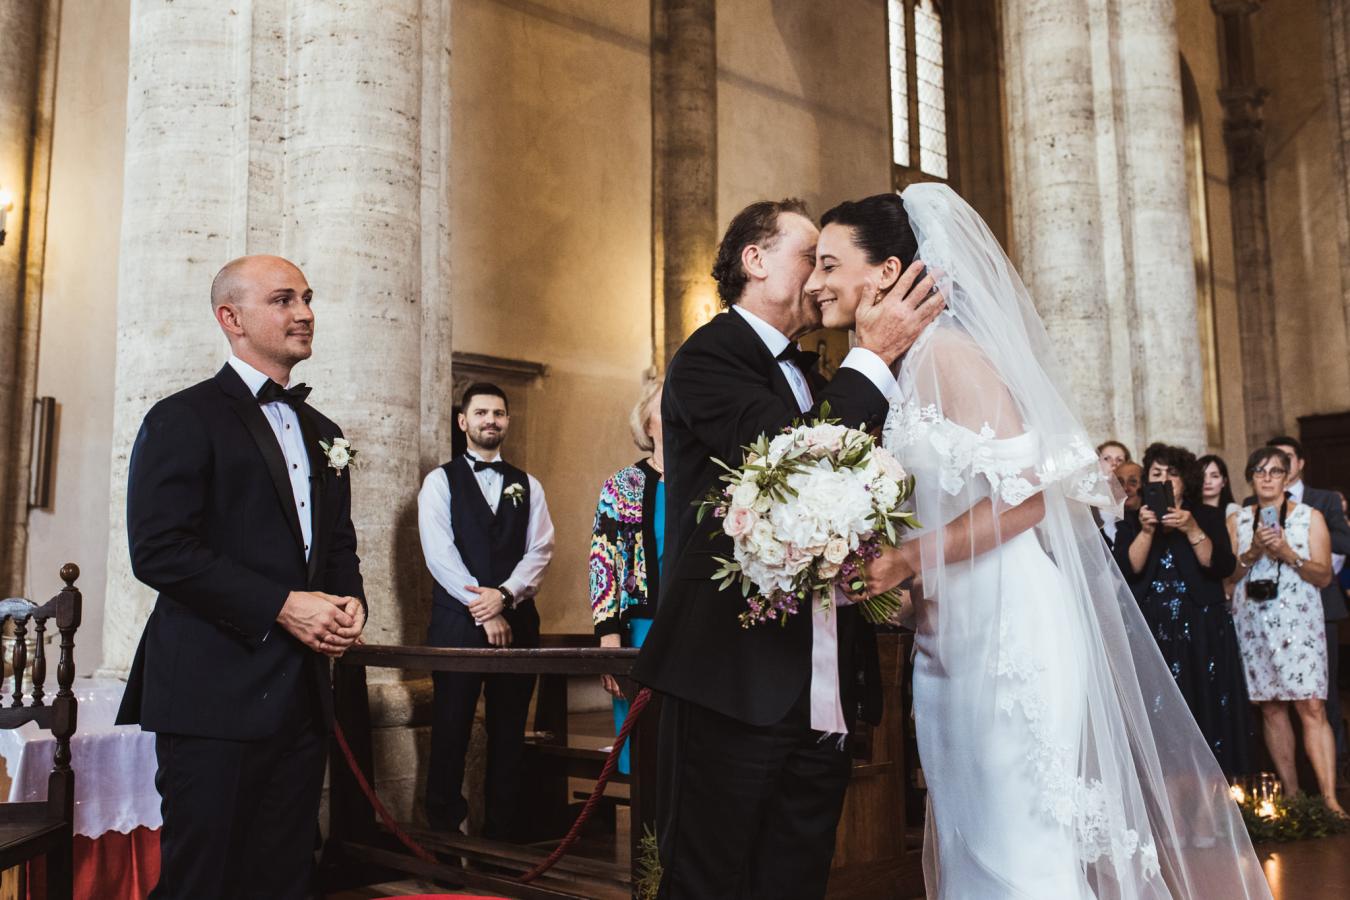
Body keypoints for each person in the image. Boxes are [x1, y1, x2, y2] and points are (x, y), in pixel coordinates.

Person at [809, 186, 1268, 898]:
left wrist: (906, 559)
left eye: (830, 264)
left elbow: (1025, 500)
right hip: (949, 632)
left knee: (1021, 844)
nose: (815, 283)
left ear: (887, 271)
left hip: (1009, 629)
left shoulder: (950, 356)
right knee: (972, 833)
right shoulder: (901, 372)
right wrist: (901, 580)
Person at [632, 197, 944, 899]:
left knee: (795, 880)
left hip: (818, 688)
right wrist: (873, 354)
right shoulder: (709, 358)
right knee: (708, 881)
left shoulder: (822, 376)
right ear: (755, 260)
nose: (819, 276)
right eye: (811, 256)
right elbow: (797, 470)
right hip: (731, 680)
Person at [117, 255, 367, 899]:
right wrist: (285, 605)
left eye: (307, 298)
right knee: (204, 880)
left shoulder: (325, 433)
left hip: (300, 697)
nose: (305, 313)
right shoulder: (182, 418)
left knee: (283, 878)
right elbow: (161, 551)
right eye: (283, 300)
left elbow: (336, 546)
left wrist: (348, 604)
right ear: (231, 318)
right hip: (211, 693)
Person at [418, 383, 555, 839]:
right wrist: (485, 608)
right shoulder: (439, 481)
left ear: (507, 421)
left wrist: (507, 595)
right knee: (451, 731)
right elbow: (440, 554)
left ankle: (503, 837)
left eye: (499, 413)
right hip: (458, 623)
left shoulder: (528, 484)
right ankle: (442, 838)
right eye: (481, 412)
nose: (490, 420)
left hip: (518, 621)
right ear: (463, 421)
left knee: (509, 734)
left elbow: (540, 549)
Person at [1113, 443, 1252, 779]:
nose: (1164, 480)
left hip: (1201, 626)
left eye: (1171, 475)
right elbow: (1126, 570)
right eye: (1156, 474)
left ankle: (1214, 797)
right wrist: (1147, 531)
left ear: (1184, 481)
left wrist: (1191, 529)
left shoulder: (1206, 516)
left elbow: (1220, 565)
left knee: (1205, 705)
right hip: (1152, 627)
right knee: (1157, 712)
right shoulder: (1131, 519)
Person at [1228, 447, 1345, 815]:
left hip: (1300, 619)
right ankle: (1293, 796)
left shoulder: (1310, 517)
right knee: (1272, 707)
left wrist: (1286, 552)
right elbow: (1227, 578)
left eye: (1275, 471)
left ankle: (1328, 799)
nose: (1267, 477)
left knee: (1311, 704)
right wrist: (1250, 553)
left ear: (1286, 477)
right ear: (1251, 477)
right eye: (1259, 471)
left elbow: (1324, 575)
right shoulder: (1238, 520)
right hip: (1254, 620)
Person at [589, 377, 665, 775]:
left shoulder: (711, 482)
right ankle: (647, 838)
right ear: (647, 423)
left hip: (697, 632)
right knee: (646, 753)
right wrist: (609, 640)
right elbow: (602, 565)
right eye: (664, 405)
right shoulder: (622, 487)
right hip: (639, 633)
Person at [1265, 436, 1350, 773]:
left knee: (1321, 695)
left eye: (1286, 459)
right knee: (1278, 697)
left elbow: (1345, 541)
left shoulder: (1323, 501)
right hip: (1272, 610)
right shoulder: (1253, 504)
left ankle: (1337, 767)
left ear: (1299, 463)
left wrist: (1309, 527)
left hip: (1321, 605)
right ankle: (1295, 770)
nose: (1279, 467)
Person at [1101, 460, 1143, 550]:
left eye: (1133, 482)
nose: (1125, 488)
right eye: (1119, 483)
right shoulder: (1104, 527)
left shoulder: (1153, 523)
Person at [1200, 453, 1241, 522]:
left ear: (1224, 482)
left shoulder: (1233, 511)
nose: (1207, 481)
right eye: (1202, 476)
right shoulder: (1188, 512)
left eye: (1214, 476)